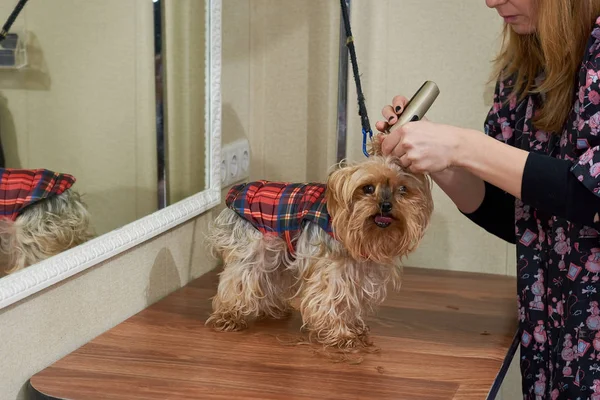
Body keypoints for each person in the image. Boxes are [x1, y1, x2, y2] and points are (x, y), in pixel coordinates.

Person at [375, 0, 600, 398]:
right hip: (554, 341)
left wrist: (463, 146)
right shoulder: (527, 64)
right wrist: (441, 162)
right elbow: (519, 216)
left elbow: (589, 195)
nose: (491, 0)